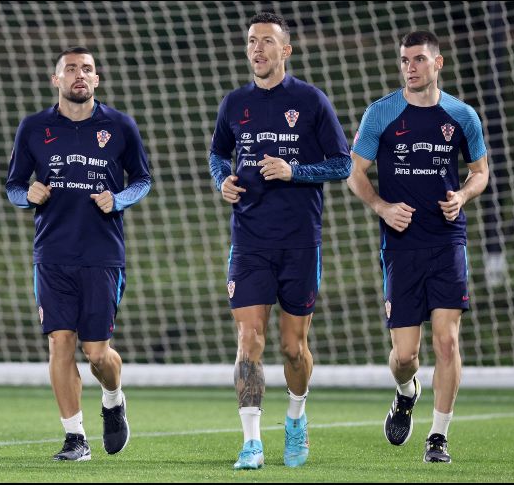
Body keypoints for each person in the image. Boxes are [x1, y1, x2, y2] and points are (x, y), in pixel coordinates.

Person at [209, 12, 351, 470]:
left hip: (299, 242)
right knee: (249, 338)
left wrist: (295, 172)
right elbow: (217, 154)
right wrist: (222, 181)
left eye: (267, 41)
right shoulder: (234, 104)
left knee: (293, 347)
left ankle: (296, 418)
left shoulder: (310, 101)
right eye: (252, 41)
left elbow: (343, 164)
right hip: (249, 241)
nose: (258, 49)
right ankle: (251, 441)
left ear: (285, 50)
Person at [348, 31, 488, 464]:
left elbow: (480, 172)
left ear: (437, 63)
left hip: (447, 241)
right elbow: (355, 173)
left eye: (419, 60)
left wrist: (462, 196)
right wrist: (382, 207)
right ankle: (406, 391)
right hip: (401, 247)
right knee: (406, 355)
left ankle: (437, 438)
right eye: (404, 60)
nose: (410, 67)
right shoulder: (381, 113)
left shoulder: (461, 116)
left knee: (447, 342)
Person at [5, 47, 151, 462]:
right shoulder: (34, 127)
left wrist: (119, 199)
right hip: (52, 253)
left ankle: (113, 397)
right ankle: (75, 438)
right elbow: (14, 185)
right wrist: (26, 195)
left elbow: (142, 180)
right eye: (71, 69)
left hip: (102, 253)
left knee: (97, 353)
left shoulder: (120, 126)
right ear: (57, 80)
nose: (79, 75)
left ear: (97, 79)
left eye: (86, 69)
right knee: (59, 343)